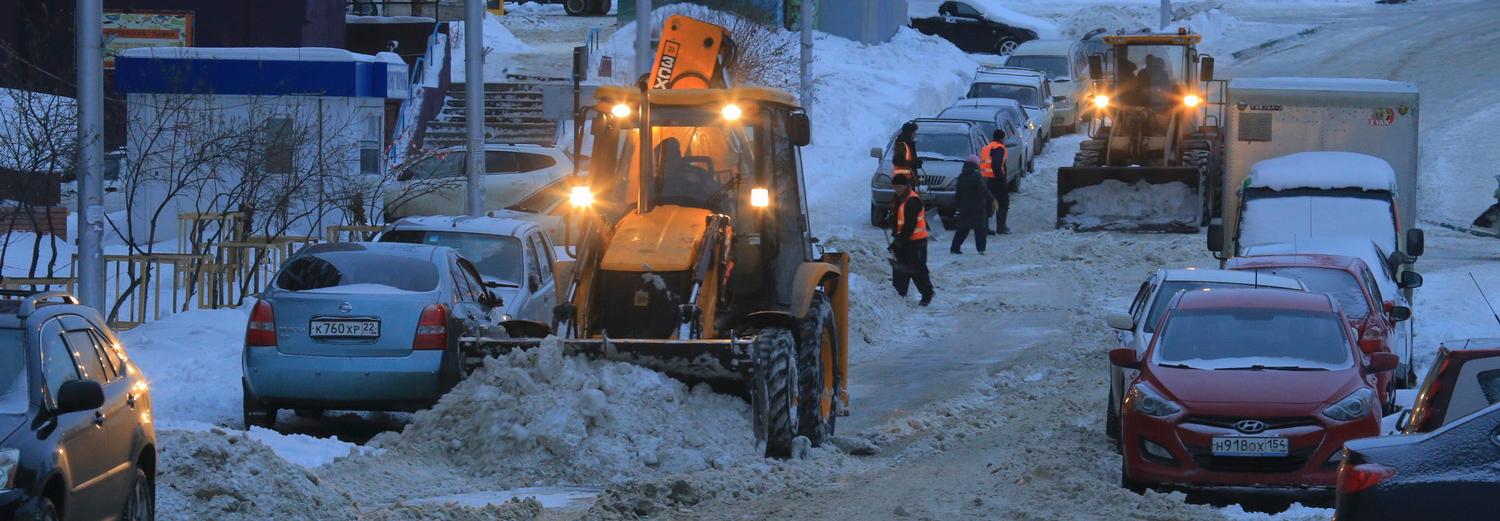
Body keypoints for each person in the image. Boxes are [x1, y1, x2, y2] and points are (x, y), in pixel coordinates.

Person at [888, 174, 934, 306]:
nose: (897, 189)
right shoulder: (898, 199)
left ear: (906, 186)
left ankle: (927, 294)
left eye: (899, 187)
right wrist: (888, 222)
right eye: (895, 187)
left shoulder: (913, 200)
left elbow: (910, 224)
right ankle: (899, 295)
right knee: (900, 268)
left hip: (916, 242)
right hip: (903, 240)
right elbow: (896, 218)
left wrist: (899, 241)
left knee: (917, 269)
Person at [950, 155, 994, 254]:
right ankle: (981, 249)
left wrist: (957, 204)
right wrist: (991, 198)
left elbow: (958, 192)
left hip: (964, 207)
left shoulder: (961, 176)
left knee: (963, 229)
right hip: (977, 207)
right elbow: (983, 189)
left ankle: (954, 248)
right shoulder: (977, 176)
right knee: (980, 229)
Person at [979, 129, 1011, 234]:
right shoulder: (999, 148)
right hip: (995, 180)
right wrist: (1001, 178)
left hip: (984, 179)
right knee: (1003, 202)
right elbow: (996, 164)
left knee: (987, 203)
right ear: (1002, 138)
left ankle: (985, 229)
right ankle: (1001, 227)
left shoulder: (986, 148)